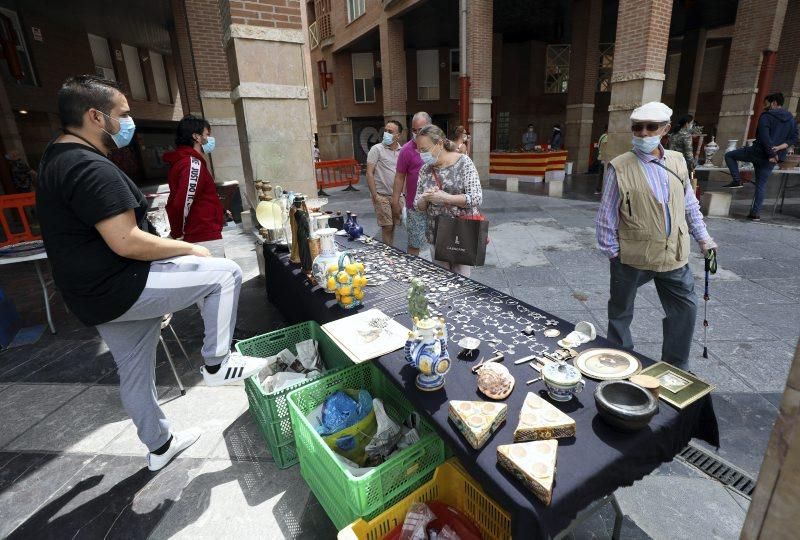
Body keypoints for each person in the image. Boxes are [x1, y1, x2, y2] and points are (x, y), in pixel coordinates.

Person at [35, 75, 266, 472]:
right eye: (122, 114)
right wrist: (187, 247)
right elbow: (126, 240)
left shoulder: (54, 159)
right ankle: (216, 362)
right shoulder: (88, 167)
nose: (129, 123)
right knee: (224, 273)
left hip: (92, 296)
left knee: (135, 374)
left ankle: (159, 447)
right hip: (121, 283)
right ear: (95, 116)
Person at [595, 102, 718, 365]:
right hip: (632, 257)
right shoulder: (619, 166)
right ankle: (620, 363)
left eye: (651, 127)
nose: (643, 133)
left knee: (685, 310)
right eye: (637, 128)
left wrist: (703, 238)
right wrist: (614, 255)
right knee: (620, 313)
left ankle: (676, 367)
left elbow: (689, 204)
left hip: (673, 254)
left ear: (665, 129)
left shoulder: (677, 161)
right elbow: (606, 217)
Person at [413, 124, 483, 277]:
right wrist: (425, 198)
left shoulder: (464, 162)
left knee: (462, 279)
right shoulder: (425, 169)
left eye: (424, 150)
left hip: (461, 231)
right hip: (436, 234)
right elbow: (417, 205)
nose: (421, 154)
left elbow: (476, 197)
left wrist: (445, 198)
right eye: (419, 150)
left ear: (439, 144)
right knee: (440, 279)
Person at [722, 92, 799, 221]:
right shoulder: (791, 118)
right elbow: (794, 138)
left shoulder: (766, 116)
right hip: (773, 158)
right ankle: (755, 214)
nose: (765, 105)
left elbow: (764, 137)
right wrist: (778, 150)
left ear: (774, 103)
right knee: (761, 185)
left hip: (758, 153)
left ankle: (737, 180)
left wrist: (771, 153)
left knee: (730, 155)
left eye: (767, 103)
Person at [163, 115, 224, 252]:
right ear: (196, 137)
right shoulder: (192, 164)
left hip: (199, 231)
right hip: (202, 234)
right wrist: (177, 233)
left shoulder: (186, 162)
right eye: (207, 135)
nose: (209, 139)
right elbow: (183, 202)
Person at [392, 111, 431, 256]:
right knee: (414, 244)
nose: (416, 133)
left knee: (438, 244)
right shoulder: (406, 150)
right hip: (415, 207)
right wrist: (395, 201)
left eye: (420, 130)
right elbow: (399, 177)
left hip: (438, 205)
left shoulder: (439, 147)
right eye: (414, 130)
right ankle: (413, 273)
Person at [366, 120, 403, 246]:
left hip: (397, 196)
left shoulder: (402, 151)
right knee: (387, 226)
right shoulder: (376, 149)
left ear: (398, 135)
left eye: (390, 131)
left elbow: (404, 174)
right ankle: (387, 254)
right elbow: (369, 172)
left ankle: (390, 249)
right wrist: (375, 195)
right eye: (385, 130)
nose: (386, 133)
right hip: (381, 195)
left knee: (394, 226)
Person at [668, 114, 696, 179]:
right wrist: (692, 166)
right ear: (687, 124)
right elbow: (689, 154)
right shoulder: (686, 135)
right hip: (681, 164)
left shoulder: (673, 134)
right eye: (691, 123)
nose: (692, 125)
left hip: (670, 162)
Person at [595, 127, 609, 194]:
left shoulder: (602, 136)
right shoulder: (606, 137)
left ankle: (598, 189)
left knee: (600, 174)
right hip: (602, 158)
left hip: (600, 157)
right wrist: (604, 159)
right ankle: (599, 189)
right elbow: (604, 147)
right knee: (601, 174)